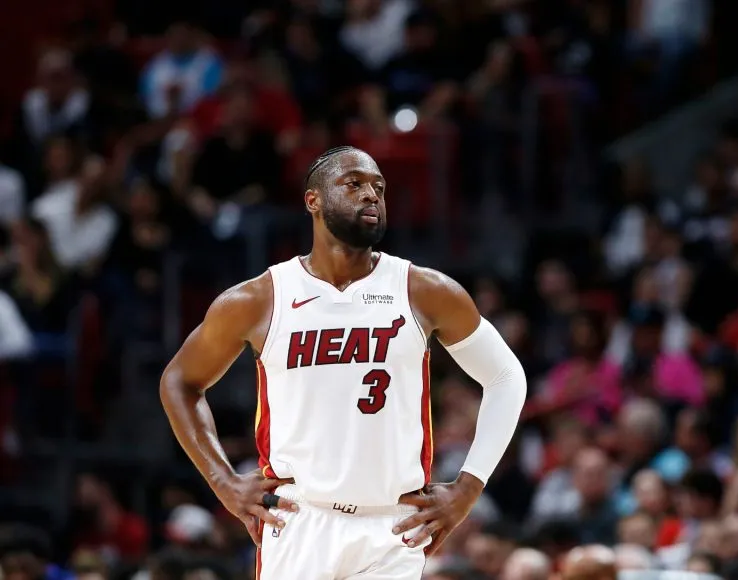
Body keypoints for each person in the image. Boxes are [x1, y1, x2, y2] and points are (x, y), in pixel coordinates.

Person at [160, 146, 528, 579]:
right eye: (354, 184)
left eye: (379, 187)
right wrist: (223, 481)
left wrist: (469, 486)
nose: (371, 195)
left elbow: (506, 376)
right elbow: (179, 381)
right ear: (312, 200)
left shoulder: (424, 290)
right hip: (299, 520)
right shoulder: (260, 298)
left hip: (393, 524)